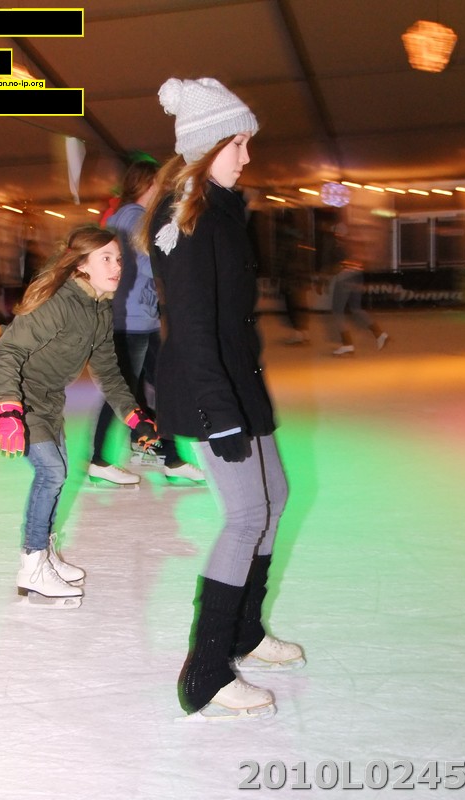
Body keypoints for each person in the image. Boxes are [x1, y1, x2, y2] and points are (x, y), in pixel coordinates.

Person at [139, 77, 305, 720]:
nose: (247, 155)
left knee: (275, 497)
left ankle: (244, 631)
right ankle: (206, 671)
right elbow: (192, 327)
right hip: (211, 387)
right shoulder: (190, 221)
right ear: (209, 147)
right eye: (238, 143)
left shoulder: (224, 209)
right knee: (245, 515)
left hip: (239, 378)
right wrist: (220, 415)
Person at [0, 225, 158, 607]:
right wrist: (7, 411)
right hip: (13, 395)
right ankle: (32, 564)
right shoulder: (58, 303)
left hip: (46, 400)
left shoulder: (100, 309)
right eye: (105, 258)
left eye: (118, 258)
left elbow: (108, 372)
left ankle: (43, 553)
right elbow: (7, 353)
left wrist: (135, 417)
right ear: (81, 265)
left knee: (56, 474)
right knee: (52, 472)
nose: (116, 266)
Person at [87, 160, 205, 486]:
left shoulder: (125, 216)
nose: (163, 191)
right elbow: (146, 262)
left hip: (139, 319)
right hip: (131, 322)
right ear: (148, 184)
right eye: (159, 185)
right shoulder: (134, 217)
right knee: (124, 392)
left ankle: (166, 455)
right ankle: (99, 459)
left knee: (156, 387)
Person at [330, 229, 389, 356]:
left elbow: (337, 264)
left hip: (344, 277)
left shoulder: (340, 246)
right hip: (358, 275)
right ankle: (379, 334)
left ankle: (347, 344)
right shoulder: (356, 243)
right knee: (356, 308)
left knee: (337, 311)